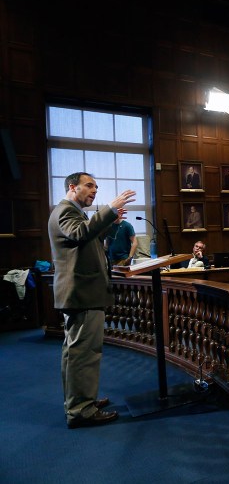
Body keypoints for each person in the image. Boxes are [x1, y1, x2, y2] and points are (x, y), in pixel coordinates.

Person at [48, 171, 135, 428]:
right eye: (89, 186)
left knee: (77, 353)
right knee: (83, 354)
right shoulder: (65, 211)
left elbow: (87, 237)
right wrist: (110, 208)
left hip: (82, 294)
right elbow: (79, 234)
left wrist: (110, 220)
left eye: (96, 187)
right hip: (81, 294)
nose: (94, 190)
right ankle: (81, 410)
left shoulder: (73, 212)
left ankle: (82, 401)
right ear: (72, 187)